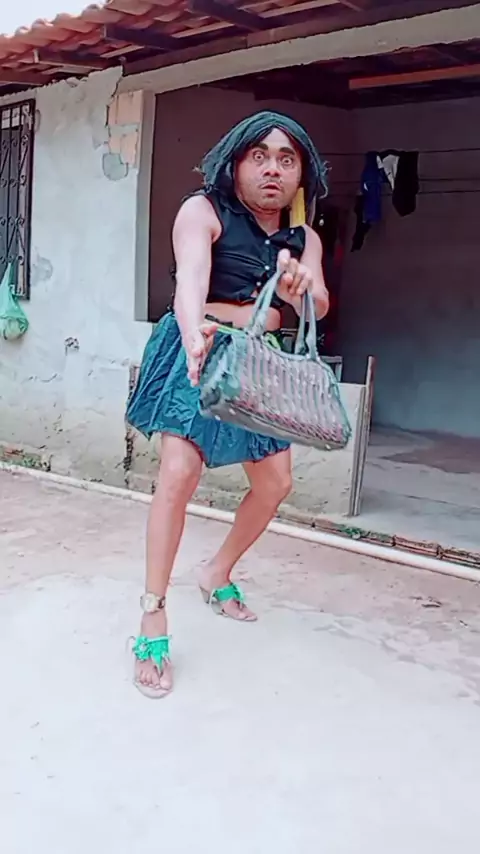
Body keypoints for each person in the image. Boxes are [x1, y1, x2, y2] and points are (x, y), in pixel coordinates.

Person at [127, 111, 330, 698]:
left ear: (301, 174)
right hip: (202, 342)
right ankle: (152, 614)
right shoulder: (203, 210)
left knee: (276, 483)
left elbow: (319, 300)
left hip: (258, 360)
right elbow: (191, 280)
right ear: (236, 163)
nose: (272, 169)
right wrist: (194, 332)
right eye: (259, 156)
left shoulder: (304, 237)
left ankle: (216, 571)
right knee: (178, 472)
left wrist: (300, 290)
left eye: (287, 159)